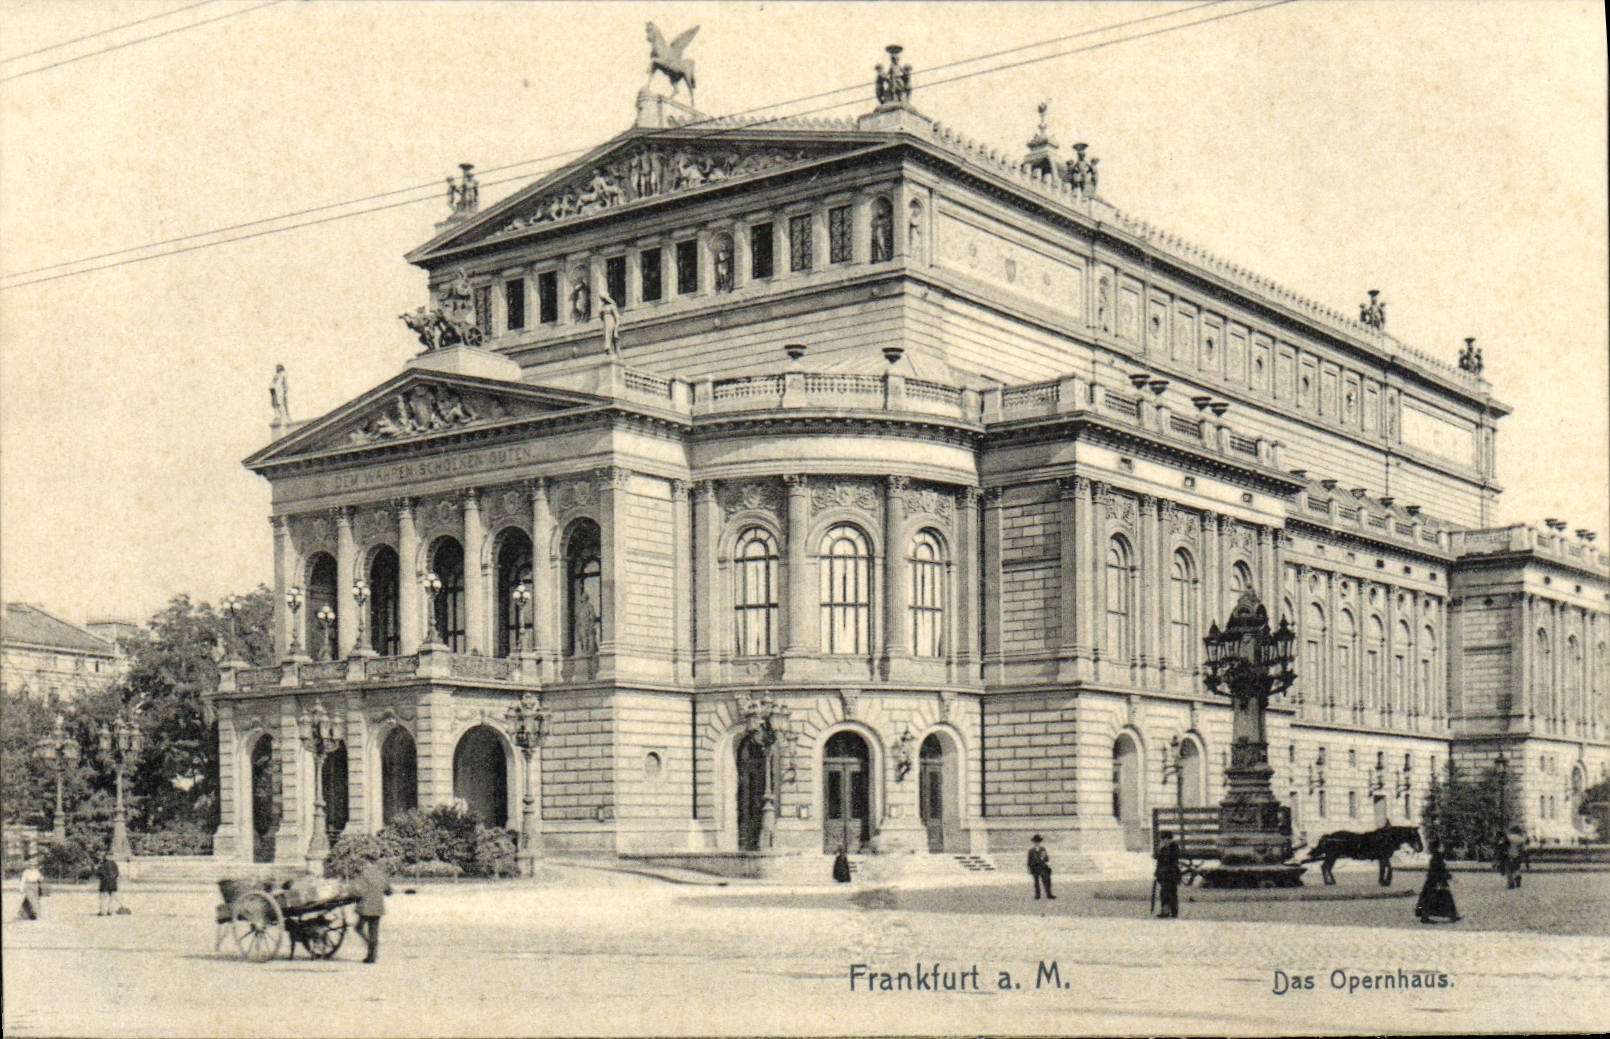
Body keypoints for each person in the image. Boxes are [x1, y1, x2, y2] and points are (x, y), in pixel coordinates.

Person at [355, 858, 391, 964]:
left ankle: (370, 947)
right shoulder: (382, 875)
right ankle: (372, 955)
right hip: (377, 908)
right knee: (374, 932)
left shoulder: (363, 875)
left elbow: (357, 890)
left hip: (365, 908)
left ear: (368, 863)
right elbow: (388, 891)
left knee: (358, 928)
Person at [1415, 841, 1460, 923]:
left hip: (1432, 881)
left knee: (1430, 899)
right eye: (1441, 846)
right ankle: (1452, 916)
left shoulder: (1436, 857)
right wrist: (1449, 877)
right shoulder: (1437, 858)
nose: (1443, 848)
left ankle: (1426, 916)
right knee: (1443, 899)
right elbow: (1440, 870)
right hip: (1437, 882)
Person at [1154, 829, 1181, 918]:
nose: (1165, 841)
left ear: (1170, 839)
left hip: (1171, 875)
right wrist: (1157, 873)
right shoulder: (1163, 849)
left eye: (1167, 839)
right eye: (1163, 839)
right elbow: (1159, 863)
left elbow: (1173, 863)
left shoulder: (1174, 848)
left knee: (1172, 893)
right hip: (1164, 875)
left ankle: (1173, 911)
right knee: (1164, 893)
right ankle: (1165, 910)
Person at [1027, 834, 1054, 900]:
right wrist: (1029, 868)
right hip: (1034, 867)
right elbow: (1029, 860)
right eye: (1035, 842)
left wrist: (1046, 862)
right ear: (1033, 842)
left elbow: (1046, 858)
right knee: (1036, 882)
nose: (1037, 843)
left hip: (1042, 867)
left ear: (1040, 842)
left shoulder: (1043, 849)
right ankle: (1037, 895)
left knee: (1046, 881)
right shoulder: (1031, 850)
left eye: (1038, 842)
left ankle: (1049, 894)